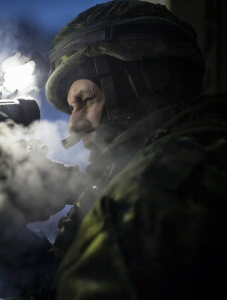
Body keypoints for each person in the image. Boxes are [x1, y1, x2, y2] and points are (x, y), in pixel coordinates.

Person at [43, 0, 227, 299]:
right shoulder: (205, 142)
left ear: (145, 85)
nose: (73, 126)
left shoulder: (154, 189)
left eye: (85, 100)